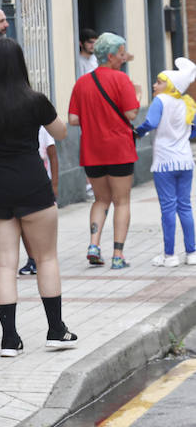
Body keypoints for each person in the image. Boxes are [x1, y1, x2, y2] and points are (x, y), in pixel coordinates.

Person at [0, 37, 76, 356]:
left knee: (4, 266)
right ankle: (56, 330)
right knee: (46, 258)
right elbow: (61, 132)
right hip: (33, 184)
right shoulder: (35, 100)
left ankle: (9, 339)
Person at [69, 32, 140, 269]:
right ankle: (118, 256)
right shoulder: (121, 80)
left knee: (101, 200)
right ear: (110, 56)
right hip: (119, 149)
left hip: (92, 151)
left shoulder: (82, 82)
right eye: (121, 54)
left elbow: (73, 119)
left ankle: (93, 245)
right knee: (121, 201)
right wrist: (137, 96)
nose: (123, 58)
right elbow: (131, 114)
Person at [135, 57, 196, 267]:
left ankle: (169, 256)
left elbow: (151, 122)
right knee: (185, 207)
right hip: (185, 161)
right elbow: (194, 129)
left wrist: (137, 133)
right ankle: (192, 253)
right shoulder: (187, 103)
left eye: (159, 82)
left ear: (169, 85)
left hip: (164, 162)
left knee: (168, 208)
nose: (155, 85)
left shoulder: (160, 101)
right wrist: (182, 136)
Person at [18, 127, 59, 276]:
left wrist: (54, 184)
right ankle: (32, 258)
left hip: (41, 183)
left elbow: (53, 155)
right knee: (23, 225)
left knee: (39, 226)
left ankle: (42, 256)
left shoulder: (42, 128)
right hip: (22, 183)